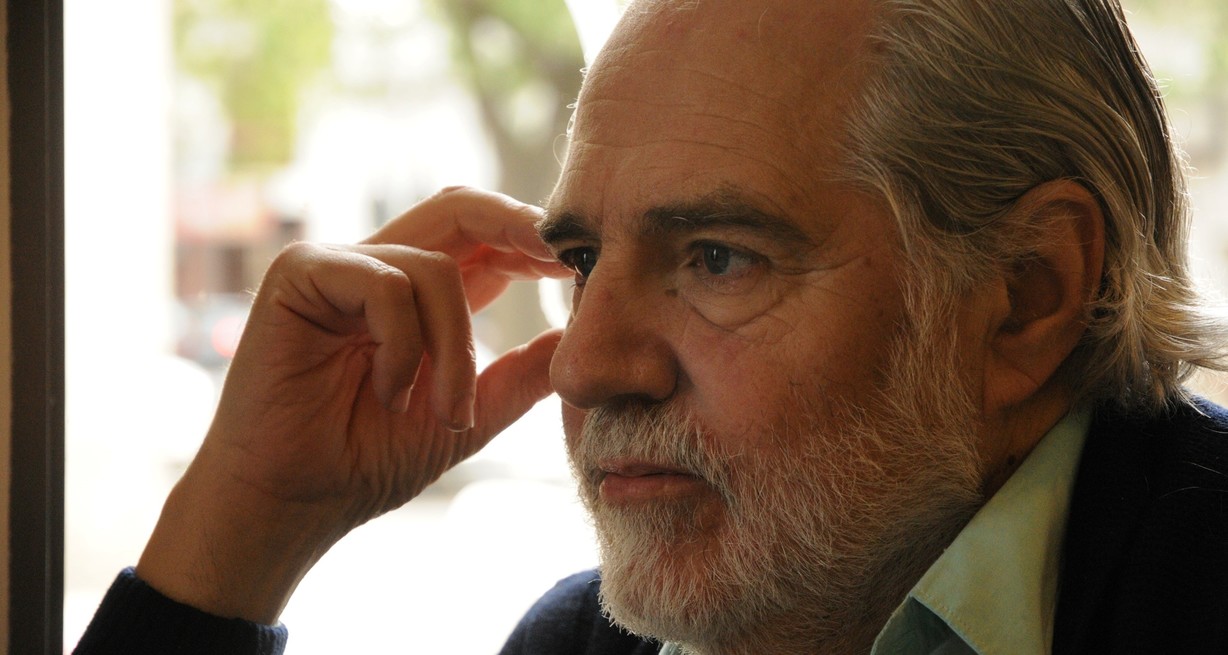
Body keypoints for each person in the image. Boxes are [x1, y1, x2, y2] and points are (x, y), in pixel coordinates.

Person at [75, 0, 1228, 653]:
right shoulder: (583, 644)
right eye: (580, 262)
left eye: (716, 258)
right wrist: (247, 524)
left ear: (1025, 294)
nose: (583, 366)